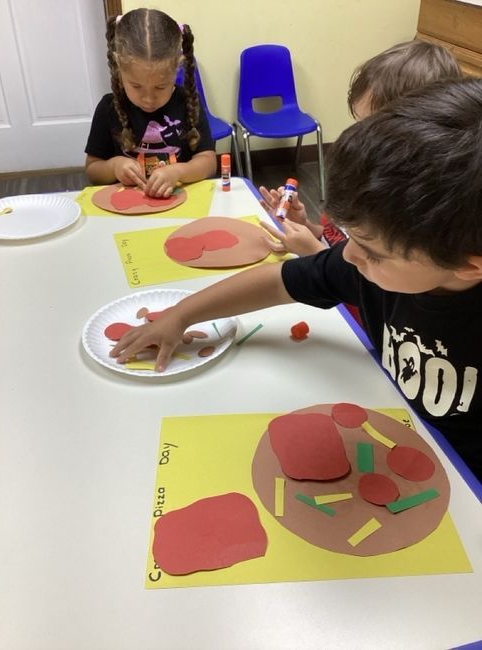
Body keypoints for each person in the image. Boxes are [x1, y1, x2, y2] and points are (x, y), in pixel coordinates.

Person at [111, 77, 482, 479]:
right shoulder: (375, 266)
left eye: (374, 252)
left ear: (469, 264)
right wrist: (181, 316)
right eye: (353, 238)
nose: (350, 254)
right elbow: (278, 281)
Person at [259, 39, 462, 256]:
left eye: (376, 129)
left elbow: (369, 280)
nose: (362, 138)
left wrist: (313, 252)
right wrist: (305, 227)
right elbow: (338, 239)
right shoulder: (364, 172)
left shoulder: (411, 203)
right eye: (359, 123)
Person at [84, 8, 217, 197]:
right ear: (119, 67)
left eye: (160, 87)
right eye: (136, 86)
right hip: (126, 208)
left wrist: (178, 172)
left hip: (181, 204)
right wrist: (115, 166)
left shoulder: (187, 103)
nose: (148, 99)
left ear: (176, 70)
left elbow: (209, 161)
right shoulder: (108, 108)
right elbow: (93, 170)